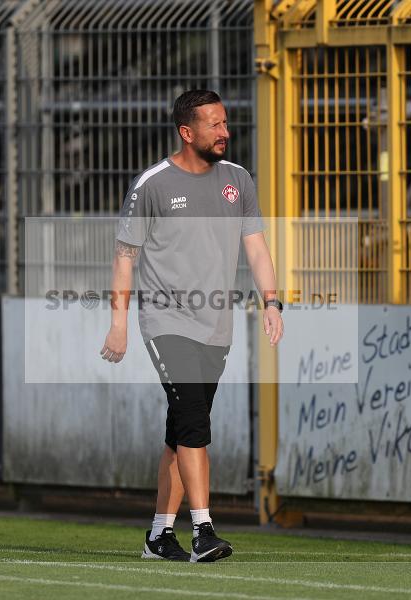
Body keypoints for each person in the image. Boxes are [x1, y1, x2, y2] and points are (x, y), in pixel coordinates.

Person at [100, 89, 284, 562]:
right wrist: (119, 323)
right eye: (215, 125)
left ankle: (159, 537)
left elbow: (257, 248)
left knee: (180, 433)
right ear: (187, 132)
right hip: (165, 322)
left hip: (215, 327)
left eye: (226, 123)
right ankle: (203, 531)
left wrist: (272, 301)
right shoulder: (153, 184)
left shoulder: (238, 180)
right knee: (195, 426)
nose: (225, 132)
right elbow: (125, 257)